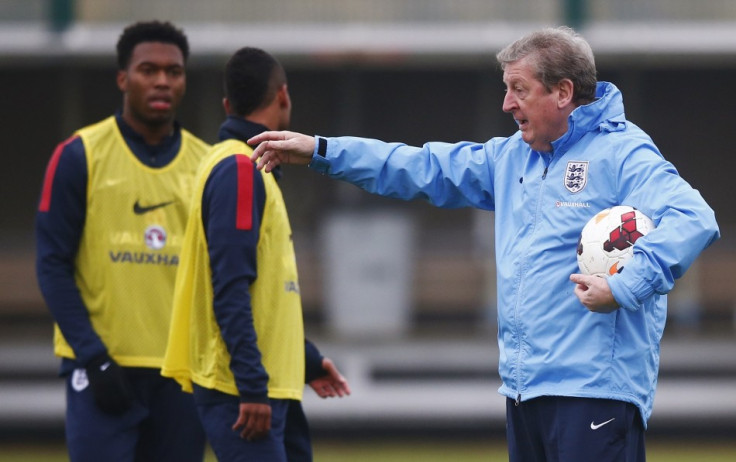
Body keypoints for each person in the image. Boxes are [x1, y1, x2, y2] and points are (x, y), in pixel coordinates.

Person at [247, 26, 720, 462]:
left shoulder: (622, 152)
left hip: (595, 393)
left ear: (562, 92)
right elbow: (420, 167)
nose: (506, 104)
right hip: (524, 391)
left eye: (519, 89)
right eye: (505, 89)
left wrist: (624, 286)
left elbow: (693, 217)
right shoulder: (512, 156)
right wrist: (324, 151)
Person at [161, 47, 350, 462]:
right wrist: (251, 386)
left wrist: (307, 360)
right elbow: (230, 285)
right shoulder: (241, 169)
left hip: (272, 384)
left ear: (229, 106)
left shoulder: (239, 165)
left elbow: (267, 294)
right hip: (244, 392)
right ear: (282, 96)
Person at [35, 21, 209, 461]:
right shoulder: (79, 155)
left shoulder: (208, 165)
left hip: (183, 375)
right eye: (148, 70)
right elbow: (52, 265)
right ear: (122, 78)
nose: (162, 81)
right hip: (102, 370)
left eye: (174, 71)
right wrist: (94, 357)